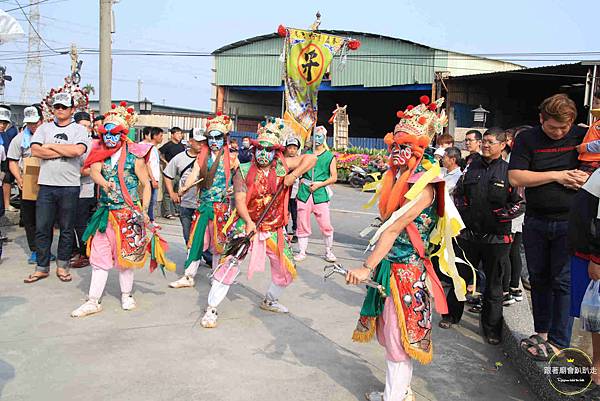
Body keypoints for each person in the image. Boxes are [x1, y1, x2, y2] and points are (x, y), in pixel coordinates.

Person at [345, 96, 465, 401]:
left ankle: (394, 397)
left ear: (419, 148)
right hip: (390, 267)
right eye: (394, 147)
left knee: (398, 340)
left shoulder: (426, 185)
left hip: (406, 273)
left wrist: (365, 266)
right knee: (388, 335)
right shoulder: (398, 177)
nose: (397, 153)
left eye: (405, 147)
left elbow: (394, 227)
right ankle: (401, 390)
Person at [199, 117, 316, 328]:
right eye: (259, 149)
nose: (263, 154)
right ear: (254, 150)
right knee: (230, 265)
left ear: (275, 152)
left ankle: (270, 299)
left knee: (286, 268)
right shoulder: (243, 170)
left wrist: (294, 175)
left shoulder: (282, 167)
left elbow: (311, 158)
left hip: (274, 227)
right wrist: (248, 222)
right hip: (247, 224)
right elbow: (240, 200)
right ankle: (211, 308)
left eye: (268, 150)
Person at [508, 93, 588, 360]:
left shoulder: (583, 137)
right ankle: (541, 332)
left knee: (563, 281)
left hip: (571, 222)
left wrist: (585, 178)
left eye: (564, 128)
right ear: (541, 119)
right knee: (539, 279)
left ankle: (559, 341)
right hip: (536, 220)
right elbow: (516, 175)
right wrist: (557, 175)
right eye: (552, 127)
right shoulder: (527, 139)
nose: (559, 133)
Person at [71, 102, 153, 317]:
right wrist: (104, 183)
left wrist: (143, 209)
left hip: (127, 214)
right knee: (99, 259)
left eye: (114, 133)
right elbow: (95, 171)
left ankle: (126, 294)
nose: (108, 137)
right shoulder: (101, 153)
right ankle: (93, 300)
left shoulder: (135, 158)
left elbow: (146, 185)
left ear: (123, 134)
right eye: (104, 132)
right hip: (104, 214)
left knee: (125, 258)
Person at [447, 128, 525, 343]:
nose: (486, 145)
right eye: (484, 142)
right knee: (460, 278)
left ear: (502, 145)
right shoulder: (471, 168)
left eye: (491, 142)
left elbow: (519, 204)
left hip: (496, 239)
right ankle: (451, 315)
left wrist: (497, 216)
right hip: (468, 236)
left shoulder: (509, 171)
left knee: (494, 285)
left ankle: (491, 329)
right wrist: (465, 213)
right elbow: (458, 193)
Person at [24, 92, 90, 284]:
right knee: (43, 227)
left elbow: (78, 150)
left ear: (72, 109)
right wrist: (64, 151)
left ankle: (62, 266)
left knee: (67, 228)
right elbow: (36, 150)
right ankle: (42, 267)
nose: (60, 110)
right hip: (46, 185)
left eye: (63, 107)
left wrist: (51, 146)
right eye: (57, 107)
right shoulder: (44, 128)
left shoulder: (79, 130)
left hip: (69, 186)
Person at [169, 113, 238, 289]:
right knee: (195, 241)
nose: (214, 141)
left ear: (224, 138)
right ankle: (188, 275)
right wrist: (185, 186)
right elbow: (194, 174)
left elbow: (239, 179)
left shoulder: (232, 157)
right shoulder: (203, 156)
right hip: (204, 205)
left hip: (221, 207)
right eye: (211, 137)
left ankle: (217, 275)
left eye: (218, 137)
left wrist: (234, 189)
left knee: (218, 244)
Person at [568, 168, 600, 384]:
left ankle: (596, 373)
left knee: (597, 318)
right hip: (585, 253)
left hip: (593, 257)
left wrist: (597, 258)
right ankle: (592, 370)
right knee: (592, 317)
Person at [294, 126, 338, 262]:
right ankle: (302, 251)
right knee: (302, 222)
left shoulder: (329, 157)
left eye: (320, 136)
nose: (317, 139)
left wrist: (319, 184)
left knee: (325, 224)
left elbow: (334, 177)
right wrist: (301, 178)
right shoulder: (306, 154)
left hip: (320, 194)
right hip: (304, 193)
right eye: (315, 136)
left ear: (324, 138)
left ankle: (328, 251)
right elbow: (298, 169)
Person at [8, 105, 42, 264]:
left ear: (41, 120)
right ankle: (35, 249)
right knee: (29, 218)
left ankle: (45, 249)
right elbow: (12, 161)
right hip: (27, 181)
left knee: (46, 218)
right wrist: (19, 179)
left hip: (47, 181)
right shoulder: (19, 139)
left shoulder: (48, 136)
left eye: (35, 123)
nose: (32, 126)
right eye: (29, 123)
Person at [163, 128, 204, 246]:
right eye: (198, 142)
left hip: (202, 204)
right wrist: (172, 193)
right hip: (185, 204)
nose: (201, 145)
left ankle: (206, 257)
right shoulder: (179, 158)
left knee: (202, 236)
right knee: (188, 236)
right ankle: (191, 256)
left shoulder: (208, 158)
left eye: (203, 142)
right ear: (190, 141)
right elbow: (167, 175)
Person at [71, 111, 95, 268]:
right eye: (83, 126)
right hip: (68, 188)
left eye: (88, 126)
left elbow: (94, 169)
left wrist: (69, 171)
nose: (86, 129)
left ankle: (87, 253)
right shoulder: (70, 142)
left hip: (85, 189)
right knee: (69, 222)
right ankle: (76, 250)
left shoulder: (93, 145)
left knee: (81, 223)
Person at [159, 127, 185, 219]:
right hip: (170, 172)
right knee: (167, 192)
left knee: (178, 192)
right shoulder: (168, 145)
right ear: (172, 135)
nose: (180, 135)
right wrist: (165, 162)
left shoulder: (182, 146)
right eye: (177, 133)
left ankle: (177, 210)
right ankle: (167, 212)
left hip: (179, 172)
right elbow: (159, 152)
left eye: (180, 133)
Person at [0, 104, 18, 213]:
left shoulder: (9, 132)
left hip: (4, 162)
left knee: (6, 179)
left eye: (4, 123)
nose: (2, 125)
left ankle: (6, 204)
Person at [143, 127, 163, 224]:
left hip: (155, 177)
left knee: (153, 200)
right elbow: (148, 164)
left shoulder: (154, 148)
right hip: (151, 178)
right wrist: (153, 179)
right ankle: (150, 219)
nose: (162, 138)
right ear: (154, 136)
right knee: (150, 200)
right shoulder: (148, 148)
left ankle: (150, 218)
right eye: (160, 136)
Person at [284, 136, 300, 242]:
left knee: (295, 213)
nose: (292, 150)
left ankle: (295, 232)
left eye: (294, 148)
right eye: (290, 148)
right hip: (284, 191)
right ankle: (284, 232)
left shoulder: (300, 160)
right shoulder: (283, 160)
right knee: (284, 212)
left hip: (295, 191)